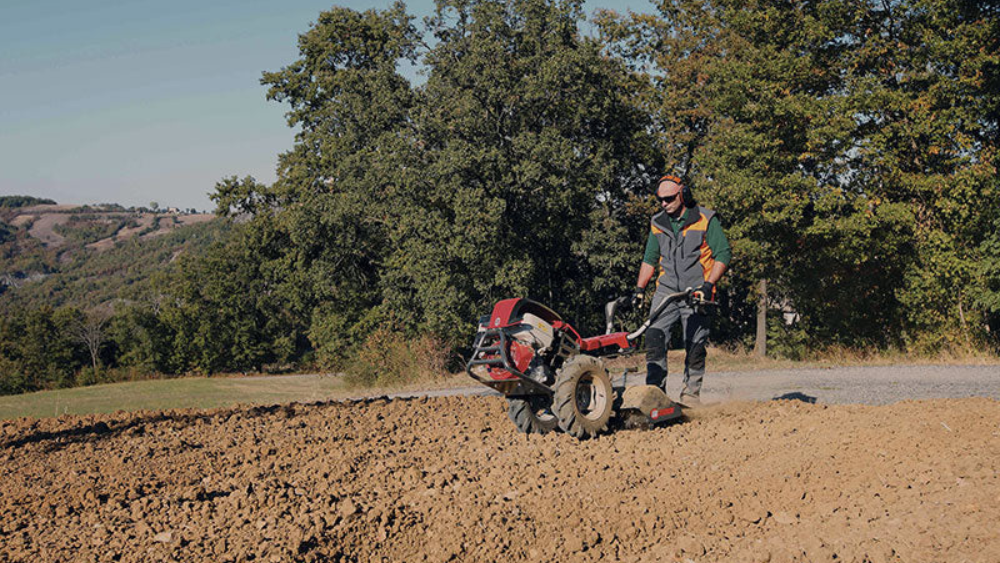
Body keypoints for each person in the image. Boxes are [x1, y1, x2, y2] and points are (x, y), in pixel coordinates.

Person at [631, 174, 731, 405]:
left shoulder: (705, 219)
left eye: (668, 199)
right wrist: (639, 289)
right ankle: (655, 394)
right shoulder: (658, 222)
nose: (664, 204)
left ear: (682, 194)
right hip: (666, 290)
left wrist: (708, 285)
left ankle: (690, 394)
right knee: (654, 337)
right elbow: (650, 258)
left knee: (695, 344)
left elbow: (723, 254)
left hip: (697, 290)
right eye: (660, 200)